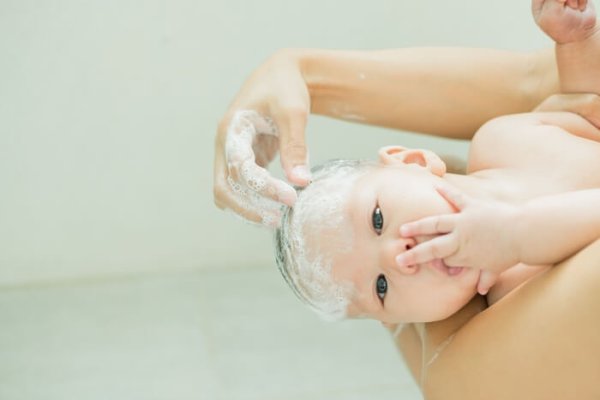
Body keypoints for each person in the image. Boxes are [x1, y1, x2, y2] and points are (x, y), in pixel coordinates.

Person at [215, 0, 600, 398]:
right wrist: (516, 237)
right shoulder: (513, 300)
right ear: (400, 320)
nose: (401, 258)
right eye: (382, 288)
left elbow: (587, 110)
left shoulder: (504, 139)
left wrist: (576, 40)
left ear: (412, 160)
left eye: (378, 220)